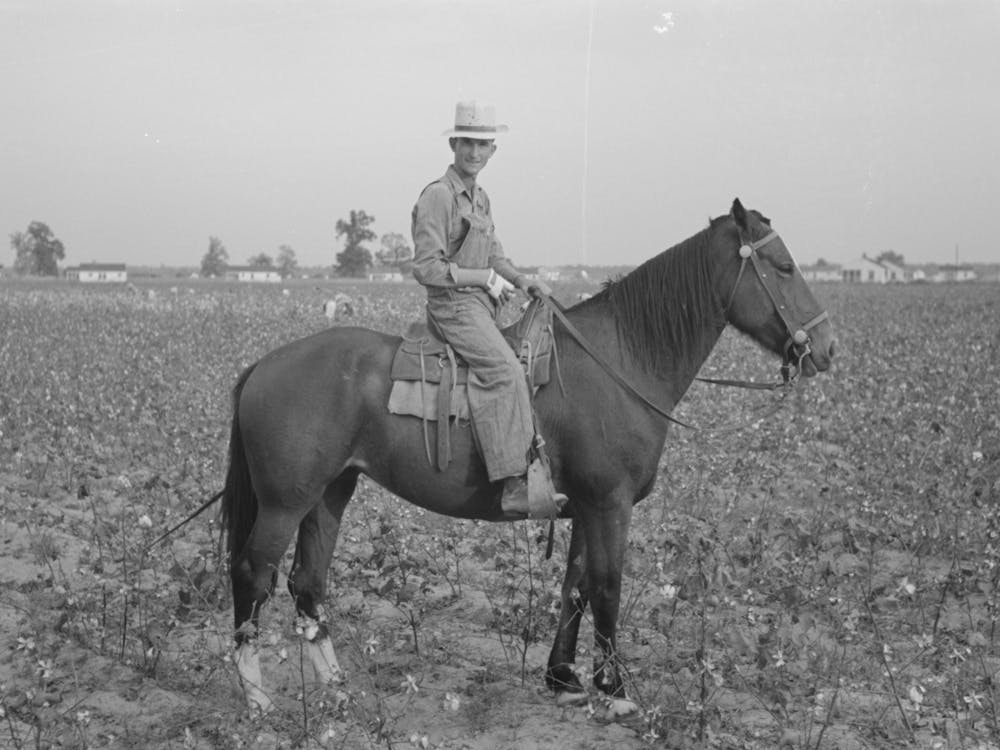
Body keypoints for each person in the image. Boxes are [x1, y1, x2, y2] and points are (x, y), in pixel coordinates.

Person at [410, 101, 566, 517]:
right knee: (505, 372)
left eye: (482, 145)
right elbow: (427, 267)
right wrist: (481, 279)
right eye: (467, 143)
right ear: (453, 143)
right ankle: (512, 485)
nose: (474, 153)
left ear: (492, 150)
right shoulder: (439, 197)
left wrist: (522, 280)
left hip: (480, 308)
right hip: (453, 309)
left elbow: (494, 255)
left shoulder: (480, 198)